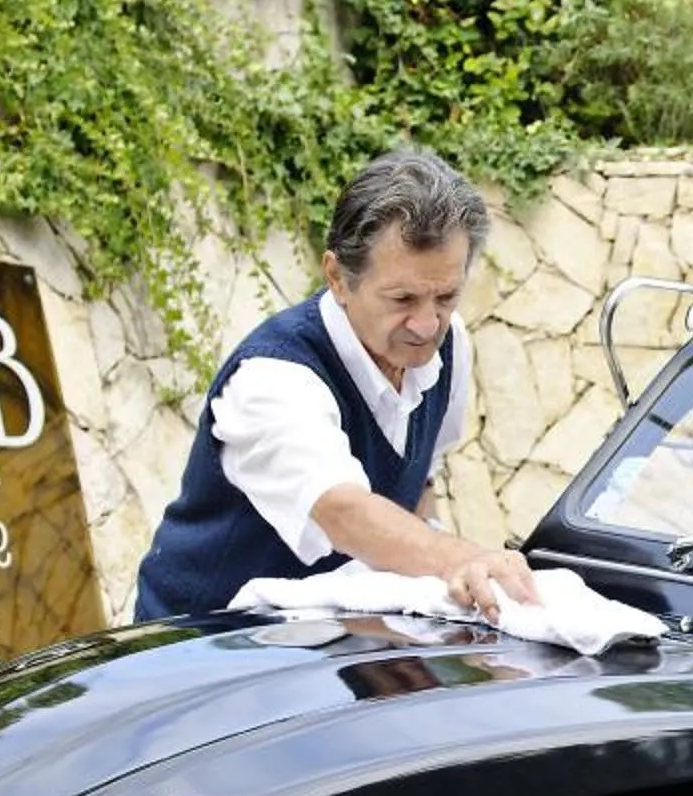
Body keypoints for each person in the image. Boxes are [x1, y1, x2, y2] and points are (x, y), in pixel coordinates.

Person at [131, 148, 541, 621]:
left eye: (446, 296)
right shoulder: (272, 378)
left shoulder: (451, 346)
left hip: (331, 646)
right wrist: (464, 559)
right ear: (338, 279)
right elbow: (342, 511)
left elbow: (419, 479)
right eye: (403, 298)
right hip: (202, 649)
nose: (428, 324)